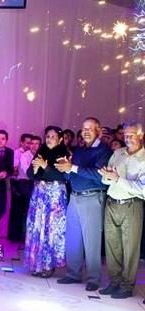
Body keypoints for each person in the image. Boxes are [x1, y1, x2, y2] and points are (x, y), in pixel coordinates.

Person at [56, 117, 112, 291]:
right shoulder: (79, 150)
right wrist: (65, 169)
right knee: (73, 238)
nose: (86, 131)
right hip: (75, 197)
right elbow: (71, 173)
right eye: (84, 128)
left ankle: (93, 278)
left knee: (92, 240)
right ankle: (73, 274)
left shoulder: (104, 150)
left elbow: (98, 175)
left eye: (90, 128)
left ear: (98, 131)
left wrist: (72, 168)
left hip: (93, 197)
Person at [98, 122, 145, 299]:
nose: (127, 138)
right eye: (125, 135)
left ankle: (127, 286)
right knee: (112, 246)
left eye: (131, 135)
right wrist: (107, 176)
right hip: (112, 203)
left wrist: (118, 179)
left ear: (141, 135)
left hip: (132, 205)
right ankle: (114, 282)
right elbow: (107, 179)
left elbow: (143, 189)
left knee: (130, 248)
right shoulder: (118, 153)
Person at [24, 127, 69, 277]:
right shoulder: (41, 151)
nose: (49, 139)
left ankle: (49, 265)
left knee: (51, 228)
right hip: (39, 194)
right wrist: (35, 169)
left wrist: (45, 167)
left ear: (60, 139)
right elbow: (30, 174)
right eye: (48, 136)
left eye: (53, 136)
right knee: (37, 226)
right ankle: (36, 264)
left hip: (55, 195)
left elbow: (63, 176)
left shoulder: (63, 154)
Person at [8, 134, 34, 244]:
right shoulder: (17, 153)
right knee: (17, 210)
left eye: (30, 143)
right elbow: (14, 169)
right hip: (17, 183)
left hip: (27, 183)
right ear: (21, 142)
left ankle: (22, 235)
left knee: (25, 210)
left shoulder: (31, 154)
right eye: (27, 143)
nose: (29, 145)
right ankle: (14, 236)